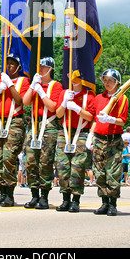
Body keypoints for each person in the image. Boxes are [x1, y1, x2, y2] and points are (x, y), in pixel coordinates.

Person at [22, 57, 63, 210]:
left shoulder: (56, 86)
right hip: (34, 125)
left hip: (49, 125)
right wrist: (33, 86)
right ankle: (34, 195)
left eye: (43, 67)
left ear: (50, 69)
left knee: (45, 162)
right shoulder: (36, 84)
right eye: (39, 66)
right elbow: (25, 102)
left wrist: (41, 92)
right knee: (30, 161)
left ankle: (44, 196)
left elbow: (53, 107)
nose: (40, 69)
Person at [0, 54, 30, 207]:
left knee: (9, 157)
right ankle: (2, 193)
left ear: (19, 66)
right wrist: (0, 90)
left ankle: (10, 195)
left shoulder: (23, 81)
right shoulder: (1, 82)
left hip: (14, 121)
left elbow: (20, 101)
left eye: (12, 64)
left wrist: (10, 85)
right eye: (8, 64)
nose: (9, 66)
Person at [88, 68, 129, 216]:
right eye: (104, 80)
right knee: (99, 172)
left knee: (113, 173)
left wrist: (111, 119)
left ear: (117, 83)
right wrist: (90, 135)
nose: (106, 83)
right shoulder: (99, 98)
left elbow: (122, 121)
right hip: (99, 139)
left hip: (113, 140)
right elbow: (94, 119)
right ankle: (104, 202)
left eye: (109, 80)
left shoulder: (122, 99)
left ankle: (113, 204)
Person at [55, 72, 96, 212]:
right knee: (62, 166)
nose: (74, 79)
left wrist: (77, 108)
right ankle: (65, 199)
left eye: (77, 76)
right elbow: (59, 114)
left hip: (81, 132)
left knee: (78, 166)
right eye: (71, 76)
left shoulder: (89, 95)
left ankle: (76, 199)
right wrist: (65, 102)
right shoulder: (64, 93)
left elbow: (90, 117)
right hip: (65, 131)